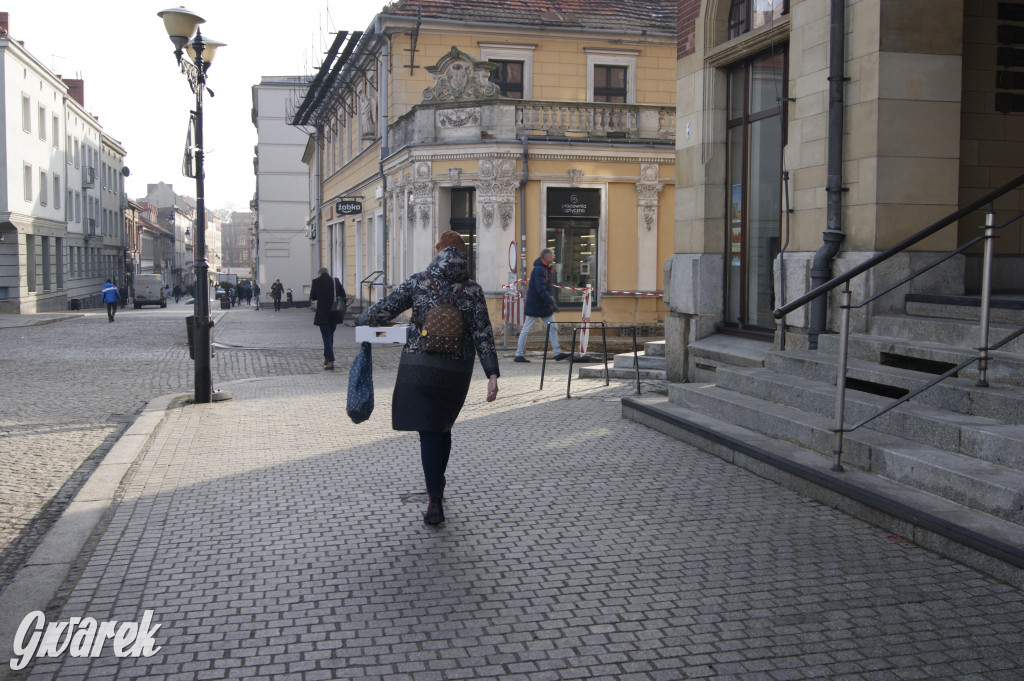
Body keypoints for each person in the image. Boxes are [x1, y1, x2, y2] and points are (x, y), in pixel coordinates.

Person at [356, 230, 499, 525]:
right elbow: (482, 332)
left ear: (439, 253)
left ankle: (434, 500)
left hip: (419, 366)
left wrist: (361, 320)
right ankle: (438, 483)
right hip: (457, 371)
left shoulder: (419, 281)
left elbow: (385, 309)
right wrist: (492, 373)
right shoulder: (473, 290)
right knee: (442, 426)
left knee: (429, 431)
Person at [515, 247, 570, 362]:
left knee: (552, 327)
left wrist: (550, 302)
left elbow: (544, 288)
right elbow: (541, 289)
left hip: (541, 304)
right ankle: (518, 355)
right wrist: (551, 303)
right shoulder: (540, 269)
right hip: (536, 304)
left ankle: (557, 353)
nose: (554, 256)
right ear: (547, 256)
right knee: (527, 329)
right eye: (552, 255)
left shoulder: (544, 268)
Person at [310, 268, 347, 370]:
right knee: (330, 336)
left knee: (326, 337)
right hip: (334, 314)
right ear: (327, 273)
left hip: (322, 314)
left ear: (319, 274)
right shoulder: (335, 281)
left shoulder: (316, 282)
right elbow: (343, 296)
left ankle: (330, 361)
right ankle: (327, 356)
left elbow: (313, 297)